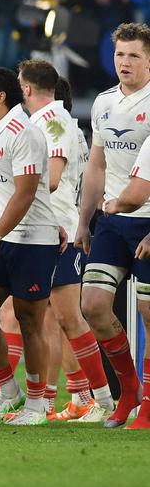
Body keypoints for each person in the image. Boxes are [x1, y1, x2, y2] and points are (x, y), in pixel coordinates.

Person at [19, 60, 114, 422]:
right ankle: (66, 397)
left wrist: (13, 199)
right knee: (49, 317)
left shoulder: (54, 122)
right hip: (45, 226)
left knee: (65, 315)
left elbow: (53, 179)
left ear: (27, 88)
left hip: (55, 226)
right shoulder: (47, 122)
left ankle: (99, 398)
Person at [0, 67, 61, 426]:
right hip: (2, 235)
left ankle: (36, 406)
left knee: (30, 321)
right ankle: (9, 390)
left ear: (0, 97)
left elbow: (25, 195)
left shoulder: (26, 133)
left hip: (32, 239)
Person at [75, 22, 150, 428]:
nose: (125, 62)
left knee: (148, 313)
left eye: (134, 55)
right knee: (93, 306)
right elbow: (97, 165)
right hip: (112, 221)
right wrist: (85, 220)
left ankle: (149, 404)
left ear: (149, 60)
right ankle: (130, 391)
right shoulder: (104, 104)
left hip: (148, 219)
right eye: (120, 54)